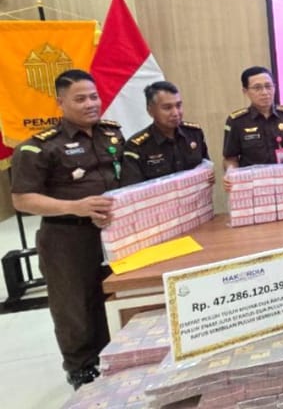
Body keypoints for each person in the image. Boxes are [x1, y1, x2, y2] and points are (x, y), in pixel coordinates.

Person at [9, 70, 124, 390]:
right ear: (60, 103)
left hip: (112, 232)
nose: (90, 104)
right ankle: (81, 367)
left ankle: (116, 354)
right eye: (80, 99)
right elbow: (22, 199)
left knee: (113, 294)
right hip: (67, 237)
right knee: (75, 305)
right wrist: (75, 207)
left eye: (94, 97)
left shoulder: (112, 134)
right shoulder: (40, 147)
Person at [222, 66, 283, 191]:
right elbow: (230, 158)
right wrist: (231, 174)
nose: (265, 92)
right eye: (257, 88)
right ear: (245, 91)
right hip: (254, 187)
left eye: (268, 86)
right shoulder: (237, 121)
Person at [120, 81, 209, 185]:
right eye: (167, 108)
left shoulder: (194, 134)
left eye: (178, 105)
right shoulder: (136, 147)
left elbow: (206, 170)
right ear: (150, 110)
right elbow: (133, 189)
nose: (176, 113)